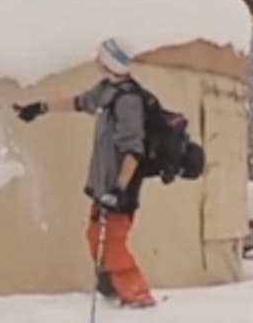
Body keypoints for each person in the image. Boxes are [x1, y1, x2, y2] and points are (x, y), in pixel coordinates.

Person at [14, 36, 156, 308]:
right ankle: (112, 288)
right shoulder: (108, 89)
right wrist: (40, 108)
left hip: (119, 188)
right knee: (95, 236)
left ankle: (138, 297)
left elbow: (133, 150)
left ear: (109, 62)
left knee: (113, 241)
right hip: (104, 185)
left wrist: (119, 188)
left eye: (100, 57)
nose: (95, 60)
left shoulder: (128, 101)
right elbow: (81, 102)